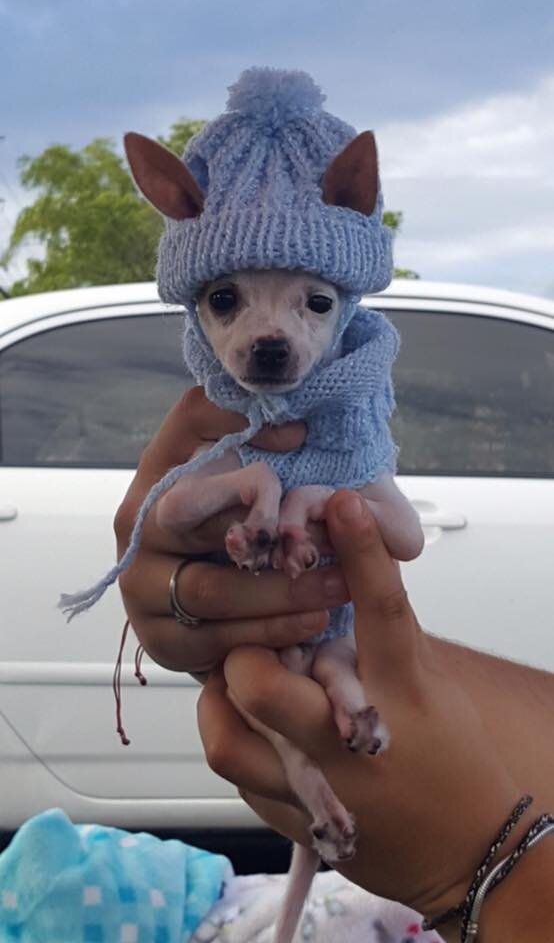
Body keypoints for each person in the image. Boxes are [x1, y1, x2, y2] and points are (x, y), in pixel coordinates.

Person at [115, 388, 554, 942]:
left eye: (317, 302)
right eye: (225, 298)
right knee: (305, 683)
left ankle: (341, 734)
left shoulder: (356, 434)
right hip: (320, 649)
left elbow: (403, 535)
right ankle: (345, 722)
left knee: (308, 684)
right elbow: (174, 512)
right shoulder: (233, 430)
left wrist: (478, 865)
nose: (272, 337)